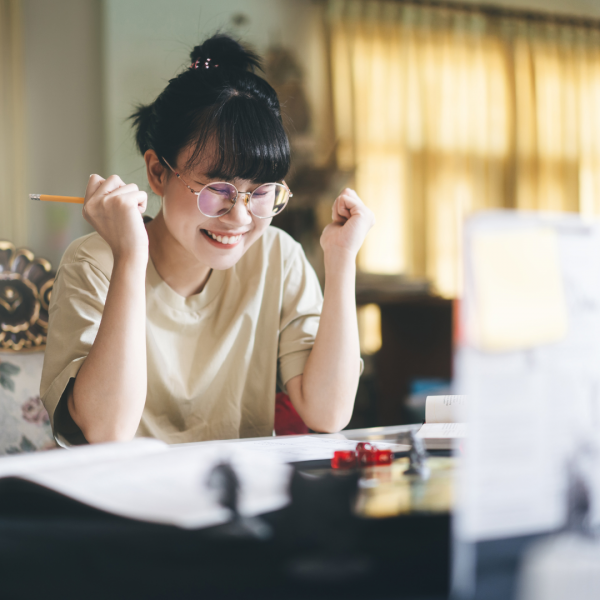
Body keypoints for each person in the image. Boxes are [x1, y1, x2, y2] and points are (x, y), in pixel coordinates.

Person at [40, 34, 374, 447]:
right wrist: (130, 258)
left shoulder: (278, 256)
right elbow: (107, 431)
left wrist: (341, 262)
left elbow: (329, 413)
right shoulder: (94, 263)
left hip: (234, 497)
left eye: (262, 191)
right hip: (122, 500)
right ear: (158, 173)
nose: (239, 217)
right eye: (218, 189)